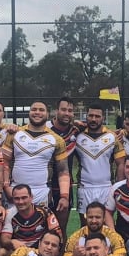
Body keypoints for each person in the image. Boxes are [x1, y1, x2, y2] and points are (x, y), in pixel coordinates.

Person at [1, 101, 70, 208]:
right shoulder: (14, 134)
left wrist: (64, 196)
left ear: (48, 114)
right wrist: (6, 187)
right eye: (34, 109)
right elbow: (4, 162)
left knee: (41, 224)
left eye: (41, 110)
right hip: (16, 191)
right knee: (12, 224)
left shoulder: (57, 140)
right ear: (29, 112)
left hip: (42, 192)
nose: (37, 112)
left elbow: (63, 171)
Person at [73, 104, 121, 225]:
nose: (94, 119)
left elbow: (121, 164)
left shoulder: (112, 137)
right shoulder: (77, 135)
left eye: (97, 116)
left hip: (106, 188)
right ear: (86, 117)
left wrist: (119, 187)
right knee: (86, 225)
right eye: (91, 116)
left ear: (103, 118)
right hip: (85, 188)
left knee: (106, 225)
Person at [47, 97, 82, 231]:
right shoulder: (44, 128)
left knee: (61, 230)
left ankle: (61, 252)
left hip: (65, 185)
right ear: (56, 111)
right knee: (43, 228)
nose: (67, 113)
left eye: (70, 111)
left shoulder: (76, 130)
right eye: (63, 110)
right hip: (44, 184)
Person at [0, 184, 62, 252]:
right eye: (17, 198)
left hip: (41, 250)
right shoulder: (9, 214)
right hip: (19, 250)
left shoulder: (45, 211)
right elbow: (4, 239)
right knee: (1, 253)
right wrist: (11, 242)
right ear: (13, 199)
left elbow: (57, 233)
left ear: (31, 197)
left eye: (24, 198)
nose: (21, 202)